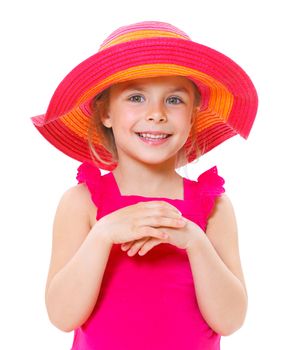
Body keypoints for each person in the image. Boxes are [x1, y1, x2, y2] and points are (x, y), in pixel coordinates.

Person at [31, 21, 258, 350]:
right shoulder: (82, 203)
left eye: (174, 100)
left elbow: (231, 320)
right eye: (136, 97)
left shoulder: (214, 206)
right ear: (105, 111)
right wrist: (104, 233)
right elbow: (62, 316)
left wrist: (195, 240)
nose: (156, 114)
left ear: (193, 116)